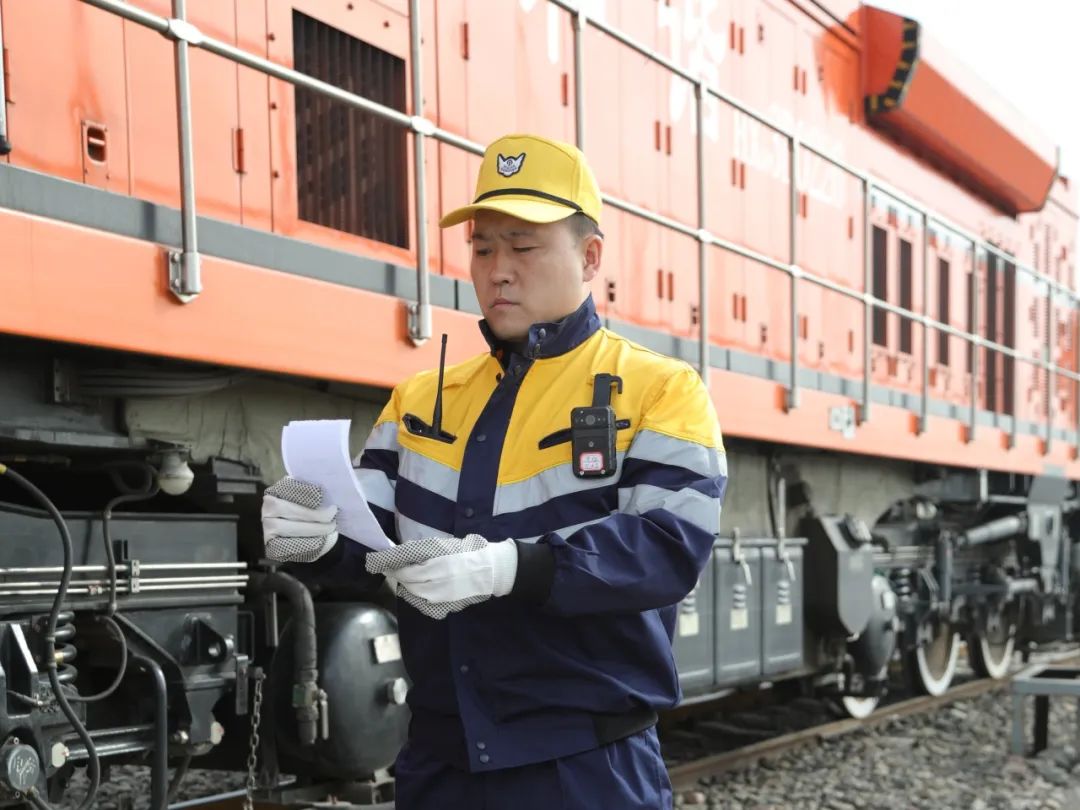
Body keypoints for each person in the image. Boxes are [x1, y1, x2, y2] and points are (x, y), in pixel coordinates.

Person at [261, 133, 728, 809]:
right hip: (439, 765)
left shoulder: (661, 390)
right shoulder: (418, 400)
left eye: (523, 246)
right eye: (482, 249)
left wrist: (506, 568)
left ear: (590, 256)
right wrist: (311, 533)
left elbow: (667, 548)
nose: (498, 270)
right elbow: (366, 548)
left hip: (584, 769)